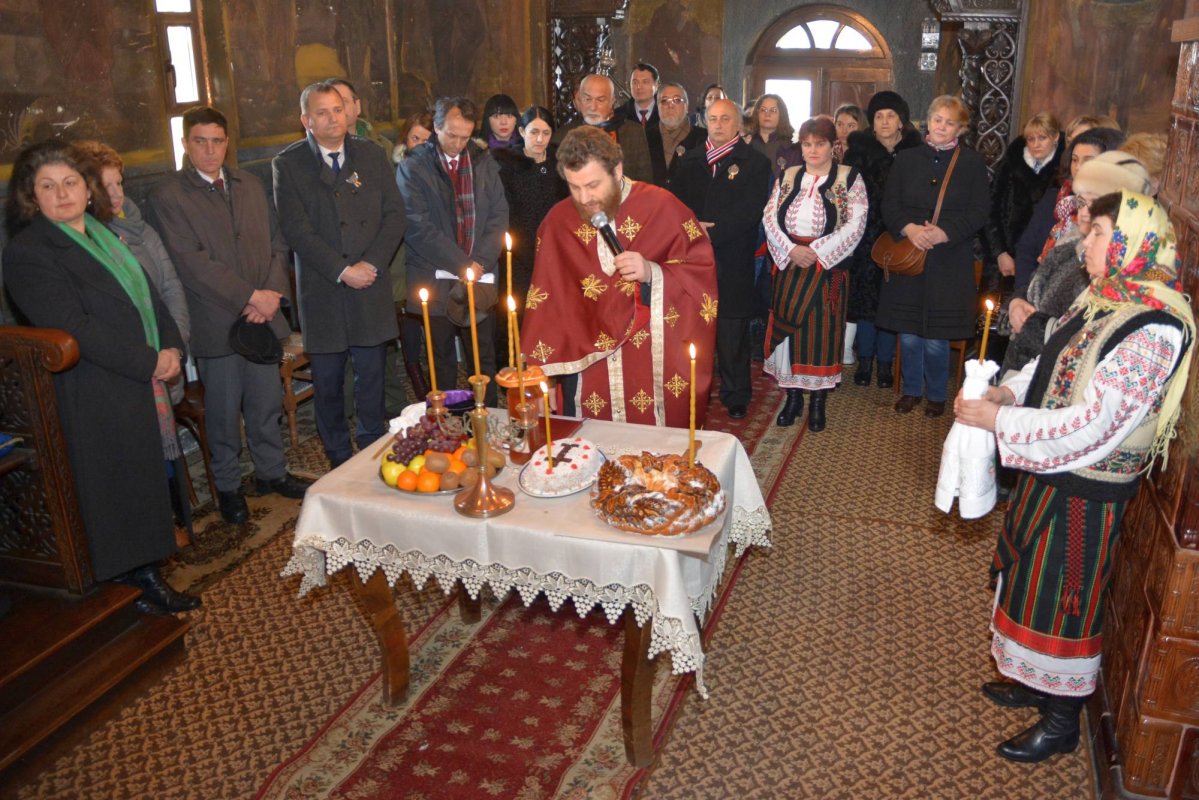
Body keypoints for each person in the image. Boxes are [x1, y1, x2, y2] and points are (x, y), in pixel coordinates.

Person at [955, 189, 1194, 763]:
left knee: (1068, 595)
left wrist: (1002, 420)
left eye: (1097, 233)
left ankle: (1062, 717)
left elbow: (1099, 425)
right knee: (1029, 576)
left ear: (1135, 243)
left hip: (1088, 482)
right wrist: (1010, 389)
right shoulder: (1107, 294)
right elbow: (1053, 355)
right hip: (1050, 461)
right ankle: (1035, 681)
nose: (1083, 242)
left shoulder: (1156, 324)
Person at [3, 140, 200, 615]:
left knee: (142, 477)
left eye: (70, 182)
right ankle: (135, 582)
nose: (62, 193)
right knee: (117, 485)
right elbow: (76, 328)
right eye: (47, 186)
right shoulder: (29, 252)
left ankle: (148, 568)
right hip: (92, 387)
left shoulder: (103, 232)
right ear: (32, 196)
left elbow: (149, 294)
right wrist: (148, 361)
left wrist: (172, 345)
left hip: (136, 377)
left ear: (87, 189)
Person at [150, 105, 310, 523]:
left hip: (263, 317)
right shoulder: (169, 196)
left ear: (227, 143)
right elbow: (190, 263)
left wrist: (271, 294)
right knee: (223, 413)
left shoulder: (250, 185)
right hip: (217, 321)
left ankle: (271, 473)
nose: (209, 150)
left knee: (265, 402)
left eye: (217, 141)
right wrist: (248, 297)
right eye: (199, 141)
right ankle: (228, 487)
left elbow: (278, 244)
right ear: (185, 144)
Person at [521, 125, 718, 428]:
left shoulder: (662, 207)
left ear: (617, 170)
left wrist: (652, 272)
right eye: (574, 187)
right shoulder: (557, 223)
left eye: (593, 185)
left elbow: (700, 273)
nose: (584, 198)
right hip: (587, 364)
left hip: (651, 355)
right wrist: (538, 373)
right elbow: (545, 300)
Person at [273, 80, 407, 468]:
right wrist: (342, 270)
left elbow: (394, 216)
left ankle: (371, 448)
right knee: (329, 385)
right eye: (322, 112)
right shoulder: (288, 164)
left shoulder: (370, 155)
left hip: (370, 285)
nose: (333, 118)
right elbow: (296, 229)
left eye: (337, 109)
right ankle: (336, 455)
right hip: (324, 291)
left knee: (373, 378)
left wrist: (372, 264)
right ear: (306, 120)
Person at [875, 95, 991, 418]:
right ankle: (912, 390)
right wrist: (909, 228)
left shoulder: (971, 163)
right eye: (937, 119)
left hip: (949, 260)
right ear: (928, 121)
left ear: (960, 128)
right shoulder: (906, 159)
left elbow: (980, 211)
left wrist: (944, 233)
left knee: (937, 339)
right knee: (909, 334)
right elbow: (889, 206)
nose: (941, 126)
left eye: (949, 122)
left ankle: (937, 394)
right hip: (909, 256)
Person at [396, 96, 508, 407]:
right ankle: (448, 431)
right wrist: (463, 265)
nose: (459, 143)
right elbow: (417, 225)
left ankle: (487, 425)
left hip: (480, 278)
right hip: (436, 277)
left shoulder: (483, 162)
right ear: (436, 126)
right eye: (451, 135)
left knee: (482, 360)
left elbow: (499, 215)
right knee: (441, 362)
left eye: (465, 136)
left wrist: (480, 262)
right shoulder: (413, 167)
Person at [761, 116, 867, 431]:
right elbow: (769, 217)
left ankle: (818, 402)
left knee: (821, 335)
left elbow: (856, 223)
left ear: (833, 146)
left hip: (826, 270)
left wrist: (818, 252)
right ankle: (792, 398)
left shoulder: (849, 178)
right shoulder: (789, 176)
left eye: (819, 144)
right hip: (790, 263)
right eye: (807, 144)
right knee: (789, 335)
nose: (812, 150)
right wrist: (791, 250)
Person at [1002, 151, 1151, 375]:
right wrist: (1016, 303)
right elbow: (1034, 282)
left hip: (1050, 375)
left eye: (1095, 204)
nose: (1083, 212)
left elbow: (1082, 338)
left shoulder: (1112, 267)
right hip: (1023, 369)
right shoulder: (1070, 240)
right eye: (1081, 202)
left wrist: (1031, 326)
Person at [670, 98, 772, 419]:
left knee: (731, 330)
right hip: (692, 259)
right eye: (712, 118)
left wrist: (711, 233)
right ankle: (692, 390)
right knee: (692, 326)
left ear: (739, 125)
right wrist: (692, 229)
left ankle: (736, 393)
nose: (718, 124)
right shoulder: (689, 159)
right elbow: (674, 205)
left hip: (734, 256)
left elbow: (752, 211)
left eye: (725, 119)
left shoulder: (755, 163)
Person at [74, 140, 191, 393]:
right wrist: (149, 359)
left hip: (167, 349)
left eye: (119, 183)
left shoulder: (142, 229)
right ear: (86, 190)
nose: (116, 194)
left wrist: (174, 346)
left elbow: (171, 287)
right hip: (128, 367)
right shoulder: (90, 240)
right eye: (106, 186)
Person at [841, 90, 924, 389]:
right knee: (864, 303)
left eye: (891, 116)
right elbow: (845, 197)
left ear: (901, 121)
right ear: (872, 123)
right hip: (864, 238)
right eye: (879, 116)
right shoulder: (858, 154)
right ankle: (865, 361)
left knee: (892, 303)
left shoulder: (917, 154)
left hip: (901, 238)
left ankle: (886, 364)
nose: (885, 121)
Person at [494, 105, 567, 366]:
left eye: (546, 133)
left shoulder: (560, 165)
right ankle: (520, 368)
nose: (540, 139)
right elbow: (506, 213)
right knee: (522, 314)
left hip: (556, 254)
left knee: (555, 313)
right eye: (534, 132)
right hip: (519, 256)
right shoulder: (506, 165)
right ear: (521, 131)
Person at [1012, 127, 1126, 296]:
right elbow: (1026, 249)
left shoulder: (1117, 211)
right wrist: (1020, 295)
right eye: (1074, 159)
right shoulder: (1054, 198)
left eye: (1088, 160)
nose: (1078, 167)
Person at [983, 112, 1064, 279]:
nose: (1036, 144)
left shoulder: (1062, 171)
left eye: (1042, 138)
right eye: (1031, 139)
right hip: (1008, 256)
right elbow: (991, 209)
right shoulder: (1010, 165)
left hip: (1047, 256)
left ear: (1055, 137)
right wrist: (1000, 253)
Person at [391, 111, 435, 401]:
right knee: (408, 329)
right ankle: (420, 390)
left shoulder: (437, 171)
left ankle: (436, 388)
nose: (418, 145)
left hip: (429, 257)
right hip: (400, 259)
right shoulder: (396, 169)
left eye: (425, 140)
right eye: (414, 137)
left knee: (430, 328)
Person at [552, 73, 653, 183]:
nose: (593, 107)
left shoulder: (633, 132)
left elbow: (645, 183)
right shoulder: (562, 137)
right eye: (587, 99)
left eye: (600, 100)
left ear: (612, 101)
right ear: (580, 100)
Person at [646, 82, 705, 186]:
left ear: (686, 107)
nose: (670, 105)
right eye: (664, 101)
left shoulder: (704, 138)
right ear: (658, 107)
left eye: (677, 100)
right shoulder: (644, 138)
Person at [328, 78, 395, 163]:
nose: (338, 108)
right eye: (331, 104)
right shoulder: (310, 152)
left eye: (344, 102)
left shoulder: (384, 147)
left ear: (357, 106)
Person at [744, 93, 793, 172]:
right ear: (757, 113)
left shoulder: (791, 145)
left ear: (781, 114)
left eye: (773, 110)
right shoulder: (747, 141)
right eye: (763, 110)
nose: (767, 114)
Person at [618, 62, 660, 127]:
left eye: (645, 82)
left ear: (656, 85)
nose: (639, 87)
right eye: (635, 82)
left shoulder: (665, 112)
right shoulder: (619, 114)